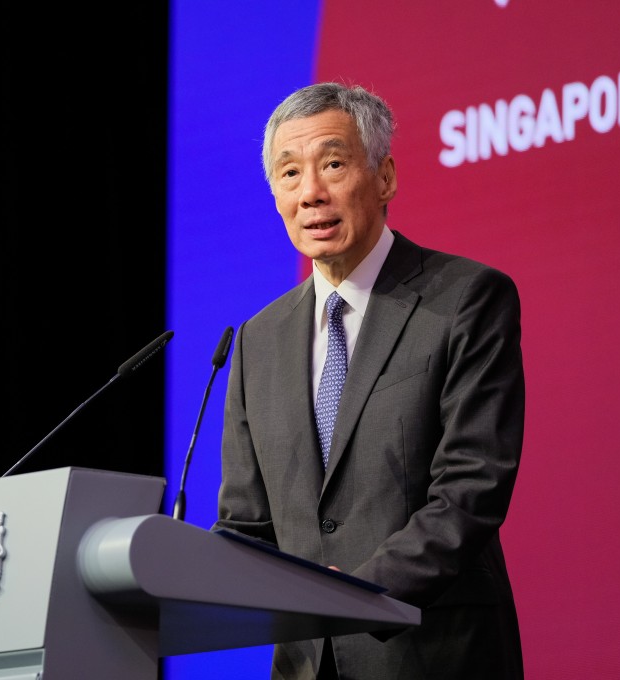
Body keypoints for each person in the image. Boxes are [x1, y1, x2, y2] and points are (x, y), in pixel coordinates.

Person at [213, 81, 525, 679]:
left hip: (435, 654)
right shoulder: (258, 339)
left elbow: (471, 489)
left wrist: (356, 594)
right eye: (288, 174)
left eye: (332, 164)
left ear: (384, 178)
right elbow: (247, 523)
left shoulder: (466, 299)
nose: (310, 193)